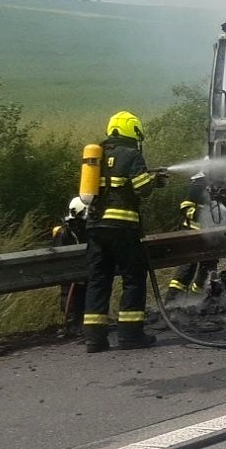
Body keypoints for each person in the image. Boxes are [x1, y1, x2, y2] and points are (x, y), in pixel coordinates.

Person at [81, 111, 166, 352]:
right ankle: (130, 335)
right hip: (122, 228)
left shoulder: (98, 153)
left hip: (96, 228)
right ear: (134, 131)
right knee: (133, 279)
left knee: (98, 281)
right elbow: (142, 189)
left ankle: (94, 340)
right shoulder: (131, 154)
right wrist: (155, 181)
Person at [165, 174, 213, 304]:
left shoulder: (219, 185)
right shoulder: (197, 185)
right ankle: (171, 301)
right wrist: (201, 215)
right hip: (192, 233)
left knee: (207, 267)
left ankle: (196, 299)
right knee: (187, 267)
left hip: (210, 236)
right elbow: (185, 207)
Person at [51, 196, 88, 338]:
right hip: (70, 273)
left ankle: (81, 323)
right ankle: (72, 324)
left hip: (83, 271)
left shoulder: (83, 228)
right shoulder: (64, 232)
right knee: (71, 296)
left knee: (83, 295)